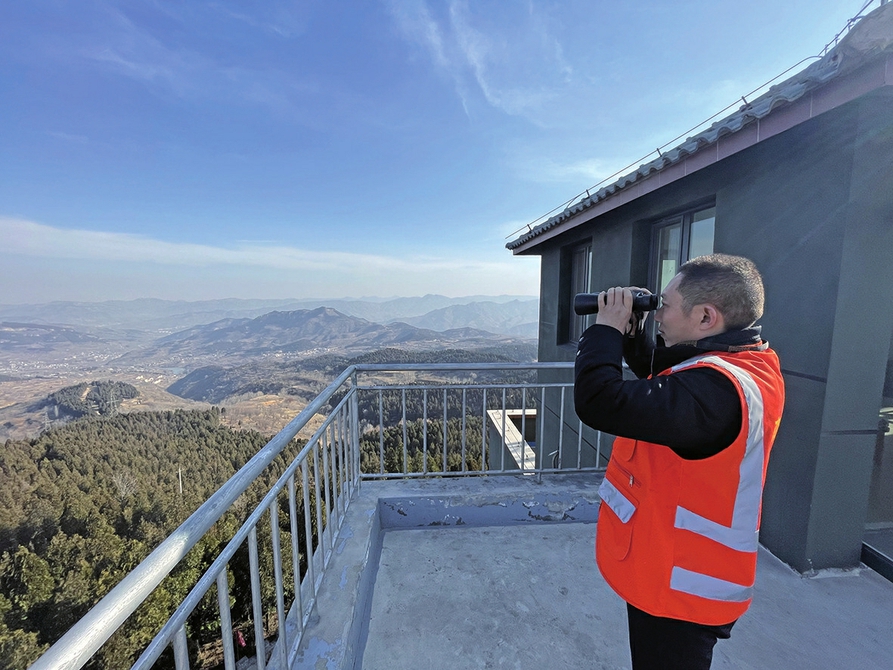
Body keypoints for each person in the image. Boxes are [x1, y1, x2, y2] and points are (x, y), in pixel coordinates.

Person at [574, 253, 785, 670]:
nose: (658, 315)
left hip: (683, 593)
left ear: (706, 317)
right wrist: (633, 335)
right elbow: (667, 379)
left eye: (664, 306)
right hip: (678, 572)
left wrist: (605, 331)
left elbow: (600, 402)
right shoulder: (743, 365)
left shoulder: (716, 393)